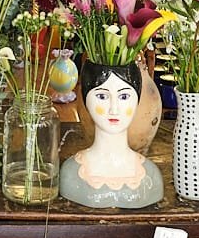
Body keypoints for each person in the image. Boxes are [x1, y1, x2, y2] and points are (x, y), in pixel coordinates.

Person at [59, 61, 163, 209]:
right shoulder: (71, 175)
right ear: (86, 101)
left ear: (137, 101)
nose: (113, 109)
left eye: (124, 97)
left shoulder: (150, 178)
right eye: (102, 96)